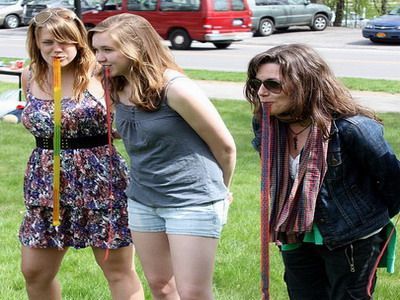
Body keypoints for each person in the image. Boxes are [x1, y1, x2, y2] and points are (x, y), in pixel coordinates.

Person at [88, 14, 236, 300]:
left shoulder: (176, 89)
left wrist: (222, 191)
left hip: (192, 201)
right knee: (161, 287)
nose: (99, 58)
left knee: (192, 292)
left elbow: (226, 147)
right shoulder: (116, 85)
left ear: (136, 48)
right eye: (96, 50)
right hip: (143, 199)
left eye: (107, 50)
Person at [244, 43, 400, 300]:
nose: (262, 92)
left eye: (273, 84)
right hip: (293, 234)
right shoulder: (266, 123)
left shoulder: (352, 128)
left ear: (304, 84)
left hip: (351, 237)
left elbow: (393, 182)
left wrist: (362, 220)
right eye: (256, 84)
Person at [19, 8, 144, 300]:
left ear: (79, 41)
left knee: (116, 269)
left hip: (100, 181)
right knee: (34, 271)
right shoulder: (30, 75)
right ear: (36, 43)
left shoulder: (103, 74)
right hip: (45, 184)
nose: (57, 49)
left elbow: (135, 114)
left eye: (65, 40)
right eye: (48, 41)